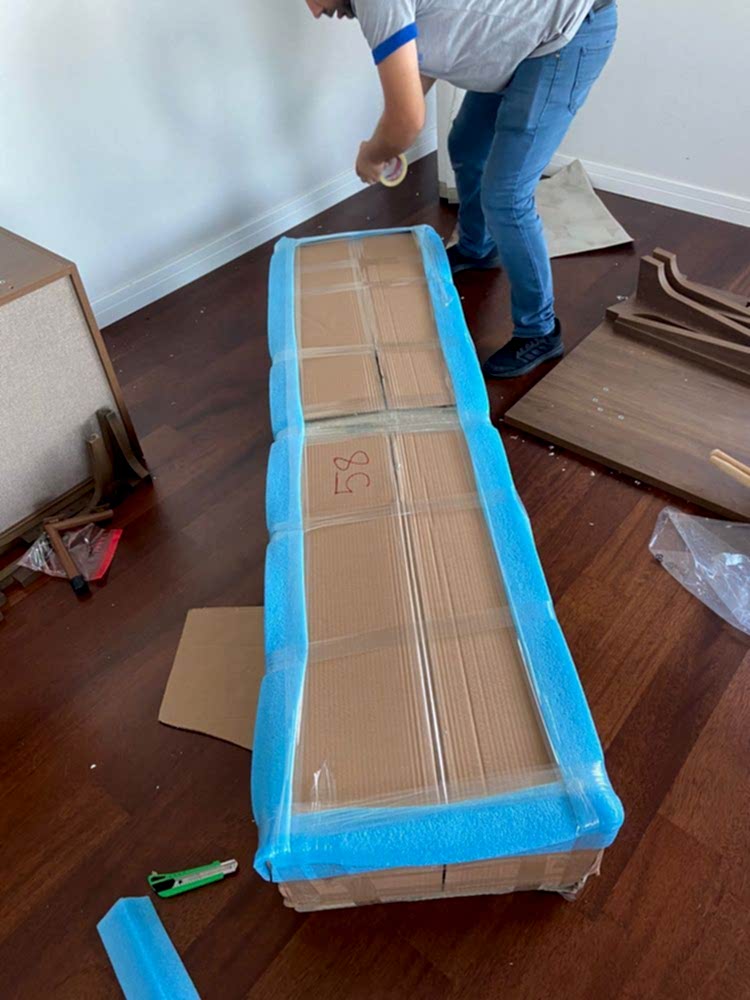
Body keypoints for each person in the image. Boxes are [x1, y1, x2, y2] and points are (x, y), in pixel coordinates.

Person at [304, 0, 618, 378]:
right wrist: (387, 140)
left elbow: (407, 118)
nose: (314, 12)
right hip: (523, 37)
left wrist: (374, 154)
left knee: (505, 196)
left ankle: (540, 330)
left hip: (568, 34)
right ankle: (477, 247)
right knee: (468, 145)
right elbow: (422, 63)